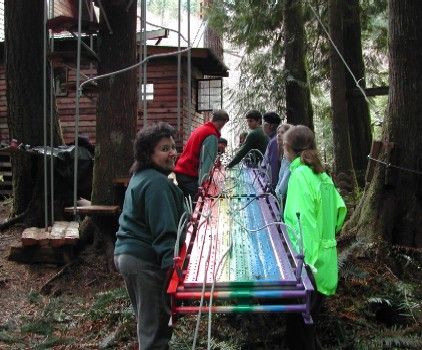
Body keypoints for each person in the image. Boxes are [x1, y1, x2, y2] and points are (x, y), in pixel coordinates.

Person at [114, 123, 186, 350]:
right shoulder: (156, 184)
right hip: (144, 260)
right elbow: (164, 231)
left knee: (148, 323)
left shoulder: (141, 175)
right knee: (155, 332)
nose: (172, 152)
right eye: (164, 149)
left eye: (173, 147)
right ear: (148, 154)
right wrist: (173, 270)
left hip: (129, 255)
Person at [282, 125, 347, 350]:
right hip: (326, 261)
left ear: (290, 149)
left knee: (299, 332)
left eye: (284, 147)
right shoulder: (322, 174)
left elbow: (302, 222)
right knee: (308, 324)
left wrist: (303, 265)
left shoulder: (299, 175)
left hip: (309, 265)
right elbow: (340, 211)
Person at [174, 110, 229, 200]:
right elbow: (206, 163)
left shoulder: (202, 129)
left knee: (185, 203)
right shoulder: (211, 135)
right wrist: (202, 186)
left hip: (182, 171)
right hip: (189, 174)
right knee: (196, 206)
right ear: (223, 122)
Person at [274, 123, 292, 214]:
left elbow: (282, 189)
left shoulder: (290, 159)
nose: (279, 135)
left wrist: (275, 193)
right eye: (278, 132)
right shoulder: (284, 156)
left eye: (282, 132)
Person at [261, 111, 282, 189]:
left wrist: (272, 187)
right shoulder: (272, 139)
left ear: (270, 125)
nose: (262, 126)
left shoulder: (275, 141)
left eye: (263, 123)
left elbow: (274, 165)